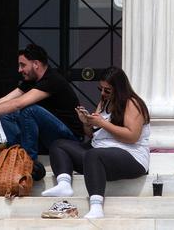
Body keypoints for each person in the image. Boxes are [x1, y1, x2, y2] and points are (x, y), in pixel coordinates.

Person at [41, 66, 151, 220]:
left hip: (131, 156)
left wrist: (103, 123)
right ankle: (64, 184)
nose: (103, 93)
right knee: (59, 145)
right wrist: (86, 122)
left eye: (107, 90)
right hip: (99, 152)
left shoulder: (132, 103)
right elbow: (93, 135)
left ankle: (96, 207)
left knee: (94, 155)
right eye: (101, 89)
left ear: (119, 89)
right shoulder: (104, 102)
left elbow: (132, 136)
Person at [0, 44, 82, 180]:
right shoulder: (31, 81)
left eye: (23, 65)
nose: (19, 70)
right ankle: (17, 154)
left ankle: (29, 163)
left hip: (69, 140)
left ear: (36, 64)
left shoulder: (52, 79)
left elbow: (18, 103)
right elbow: (6, 100)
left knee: (29, 110)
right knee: (6, 113)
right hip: (47, 139)